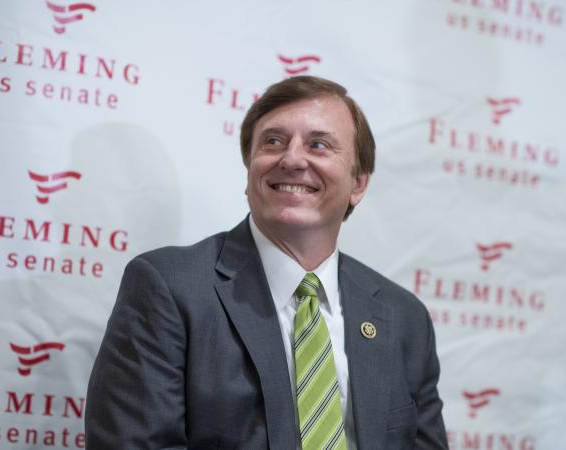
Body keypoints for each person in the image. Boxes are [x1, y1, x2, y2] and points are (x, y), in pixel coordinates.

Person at [85, 76, 447, 449]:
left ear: (358, 183)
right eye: (273, 141)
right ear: (249, 172)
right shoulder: (168, 288)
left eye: (318, 145)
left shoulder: (403, 317)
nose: (291, 159)